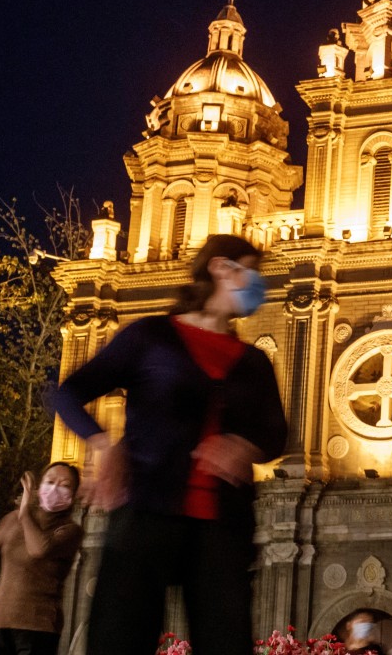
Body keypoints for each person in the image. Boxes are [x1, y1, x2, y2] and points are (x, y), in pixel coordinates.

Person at [53, 234, 288, 655]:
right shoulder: (151, 337)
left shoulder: (254, 362)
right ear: (221, 268)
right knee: (120, 638)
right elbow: (68, 392)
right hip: (145, 514)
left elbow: (275, 434)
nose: (258, 284)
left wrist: (244, 447)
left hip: (222, 527)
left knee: (226, 643)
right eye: (251, 271)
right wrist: (103, 444)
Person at [0, 463, 84, 655]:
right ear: (39, 485)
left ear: (73, 495)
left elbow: (39, 549)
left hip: (39, 625)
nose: (55, 488)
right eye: (50, 481)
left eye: (65, 485)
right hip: (0, 621)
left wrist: (25, 512)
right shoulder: (12, 520)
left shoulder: (69, 530)